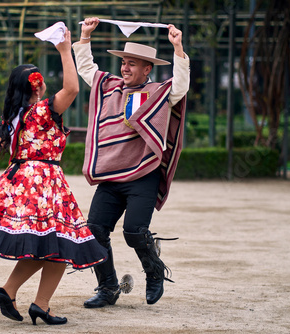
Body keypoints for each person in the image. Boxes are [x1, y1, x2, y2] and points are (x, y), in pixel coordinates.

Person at [0, 28, 107, 326]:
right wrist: (64, 51)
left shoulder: (14, 117)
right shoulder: (43, 111)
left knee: (44, 246)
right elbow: (73, 89)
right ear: (36, 86)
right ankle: (38, 303)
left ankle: (13, 293)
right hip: (45, 183)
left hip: (19, 179)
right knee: (60, 245)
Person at [72, 17, 190, 308]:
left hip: (143, 175)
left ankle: (154, 273)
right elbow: (87, 69)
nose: (125, 68)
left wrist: (178, 49)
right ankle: (108, 287)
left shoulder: (159, 94)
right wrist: (85, 38)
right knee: (95, 231)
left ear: (147, 69)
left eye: (132, 64)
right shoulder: (109, 87)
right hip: (113, 177)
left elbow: (181, 87)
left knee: (134, 232)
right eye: (124, 62)